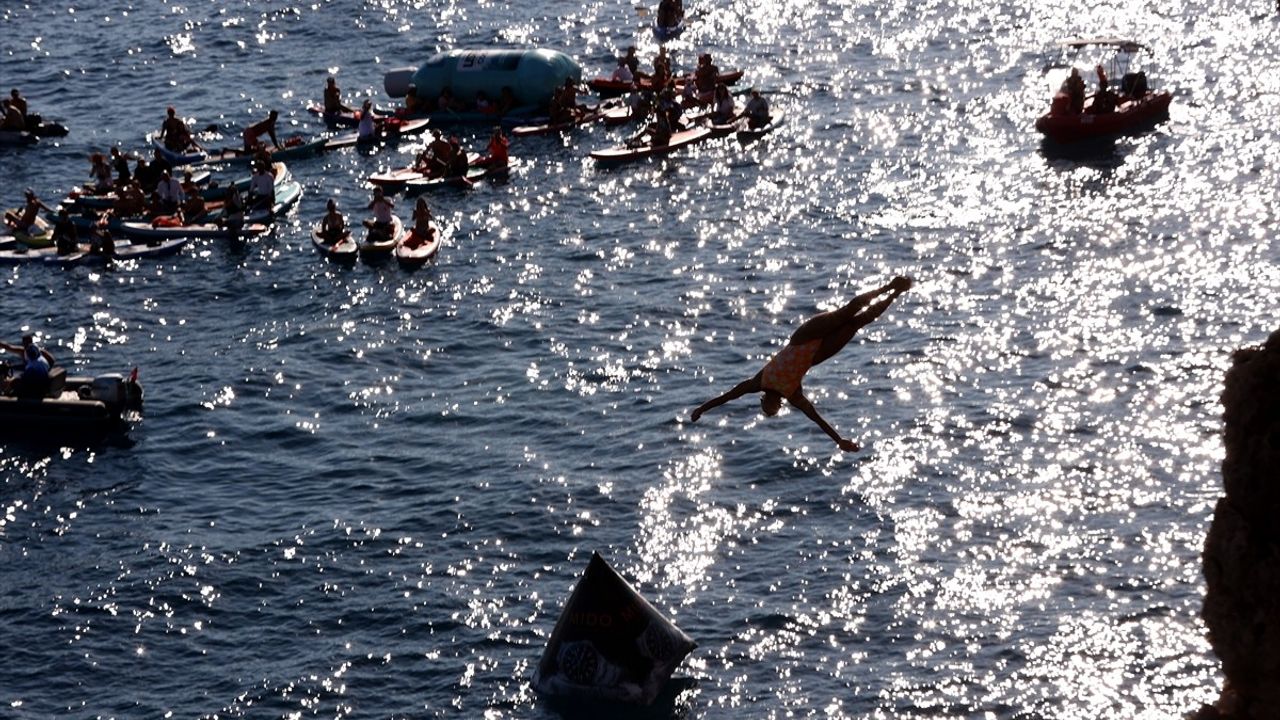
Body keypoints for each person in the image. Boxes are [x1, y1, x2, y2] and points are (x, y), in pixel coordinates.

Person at [690, 276, 913, 450]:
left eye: (766, 407)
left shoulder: (758, 382)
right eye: (773, 410)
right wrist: (839, 440)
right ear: (779, 406)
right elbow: (816, 418)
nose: (771, 407)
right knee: (856, 323)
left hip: (803, 337)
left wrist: (702, 408)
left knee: (845, 314)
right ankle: (895, 294)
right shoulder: (792, 394)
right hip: (817, 355)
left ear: (763, 400)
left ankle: (887, 287)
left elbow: (728, 396)